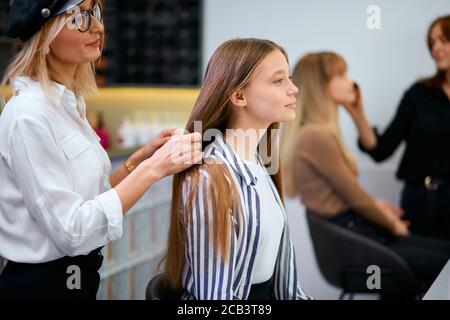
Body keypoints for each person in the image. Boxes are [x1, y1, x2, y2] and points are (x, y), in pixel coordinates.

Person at [0, 0, 202, 300]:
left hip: (77, 280)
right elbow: (72, 231)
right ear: (46, 34)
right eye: (80, 17)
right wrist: (155, 168)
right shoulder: (29, 115)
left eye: (95, 12)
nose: (97, 26)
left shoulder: (67, 105)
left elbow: (93, 198)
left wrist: (140, 159)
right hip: (40, 286)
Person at [281, 51, 450, 298]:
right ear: (320, 84)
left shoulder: (317, 133)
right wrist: (392, 224)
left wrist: (378, 206)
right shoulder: (316, 136)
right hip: (354, 237)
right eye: (340, 74)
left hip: (356, 230)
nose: (351, 81)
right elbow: (355, 197)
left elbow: (344, 195)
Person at [164, 38, 312, 300]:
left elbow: (288, 289)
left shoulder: (263, 163)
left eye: (290, 78)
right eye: (279, 80)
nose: (294, 89)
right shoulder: (210, 178)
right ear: (239, 96)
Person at [349, 15, 450, 240]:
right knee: (425, 270)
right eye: (432, 43)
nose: (436, 48)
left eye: (444, 40)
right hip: (422, 201)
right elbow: (380, 150)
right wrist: (357, 113)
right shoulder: (418, 94)